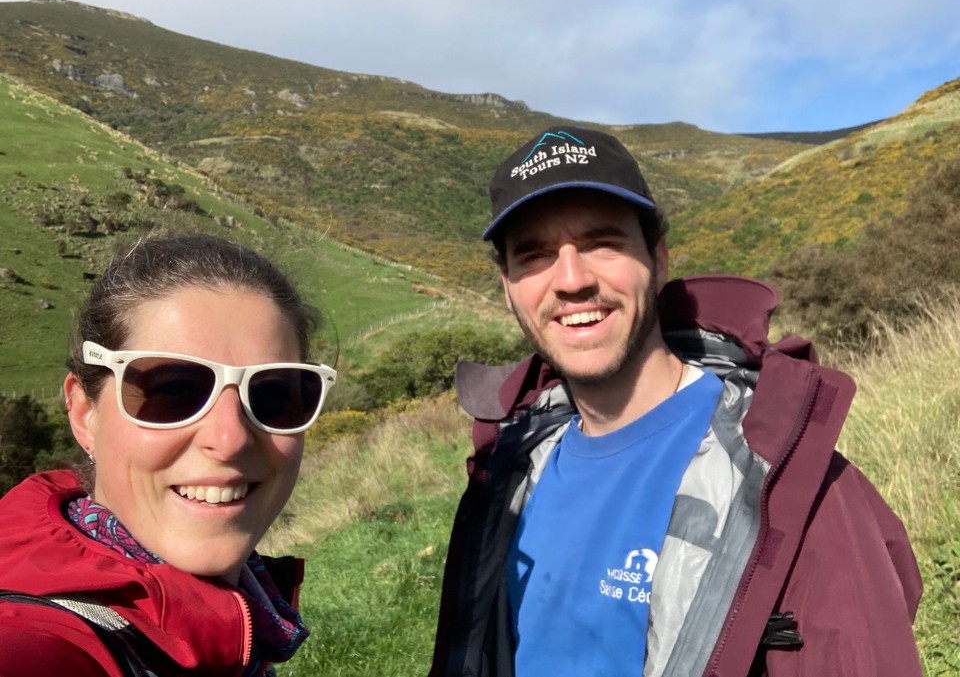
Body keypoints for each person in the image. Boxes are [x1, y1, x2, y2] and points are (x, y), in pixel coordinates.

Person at [429, 126, 923, 676]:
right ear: (508, 288)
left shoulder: (788, 482)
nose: (570, 280)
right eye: (535, 255)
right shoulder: (508, 478)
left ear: (658, 261)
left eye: (601, 242)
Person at [0, 233, 337, 677]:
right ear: (85, 414)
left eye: (273, 393)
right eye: (174, 391)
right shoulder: (38, 646)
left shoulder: (248, 623)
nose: (230, 437)